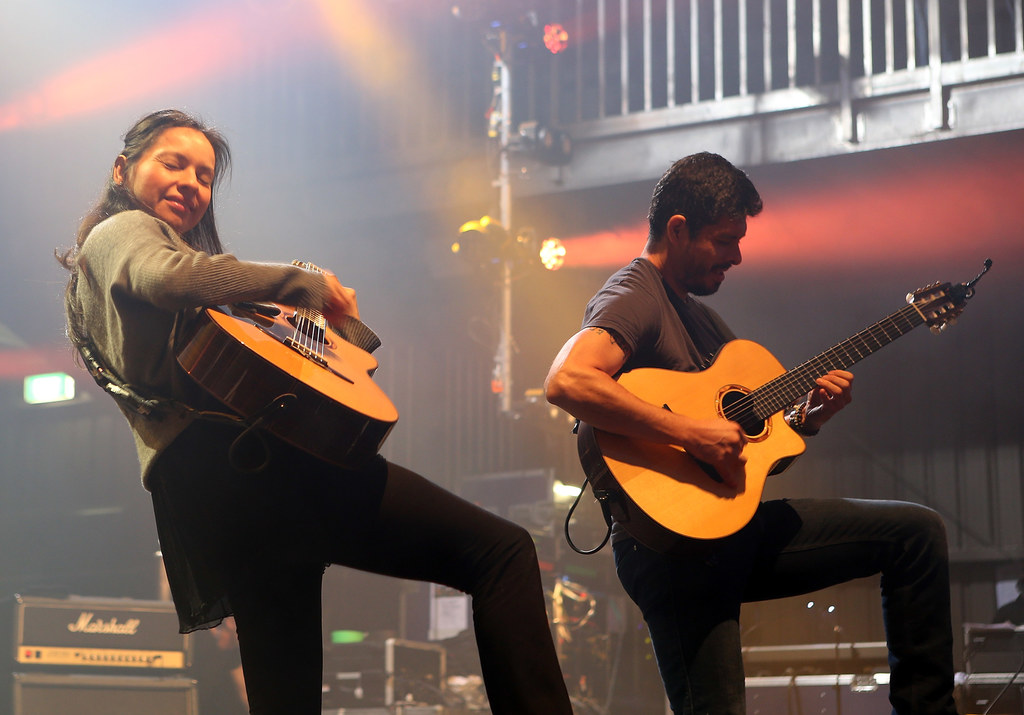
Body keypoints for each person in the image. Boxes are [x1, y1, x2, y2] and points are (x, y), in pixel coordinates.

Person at [56, 109, 573, 715]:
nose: (191, 184)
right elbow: (168, 274)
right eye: (174, 164)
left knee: (286, 697)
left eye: (204, 177)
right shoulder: (122, 233)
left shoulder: (137, 280)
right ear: (123, 170)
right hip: (255, 467)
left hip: (217, 486)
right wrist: (303, 283)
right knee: (501, 553)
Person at [544, 152, 958, 714]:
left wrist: (804, 422)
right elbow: (568, 380)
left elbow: (748, 448)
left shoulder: (705, 322)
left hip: (730, 531)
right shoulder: (635, 293)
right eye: (724, 240)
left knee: (916, 534)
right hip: (673, 552)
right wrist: (690, 432)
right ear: (678, 229)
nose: (737, 256)